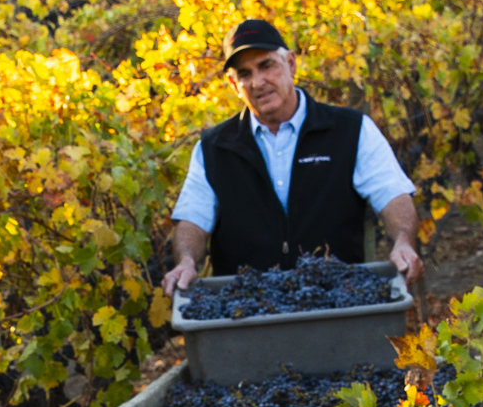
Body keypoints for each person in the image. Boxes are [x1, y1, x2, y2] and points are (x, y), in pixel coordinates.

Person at [161, 17, 423, 294]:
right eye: (244, 74)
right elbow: (193, 219)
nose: (258, 82)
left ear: (291, 63)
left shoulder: (350, 130)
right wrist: (187, 261)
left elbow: (392, 195)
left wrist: (404, 241)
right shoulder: (214, 148)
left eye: (266, 65)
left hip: (338, 303)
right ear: (233, 83)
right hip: (246, 313)